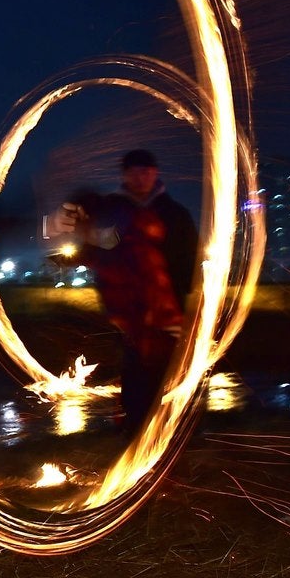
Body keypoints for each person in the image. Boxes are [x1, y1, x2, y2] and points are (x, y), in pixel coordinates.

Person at [60, 149, 198, 431]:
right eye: (134, 172)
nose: (140, 178)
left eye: (146, 172)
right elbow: (93, 244)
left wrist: (182, 295)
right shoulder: (110, 210)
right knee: (134, 369)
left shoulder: (174, 214)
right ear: (124, 175)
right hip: (126, 308)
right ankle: (137, 430)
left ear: (155, 174)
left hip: (167, 308)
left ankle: (167, 432)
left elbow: (190, 260)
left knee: (167, 369)